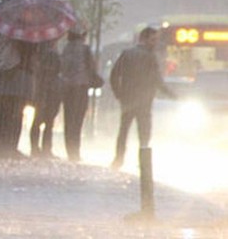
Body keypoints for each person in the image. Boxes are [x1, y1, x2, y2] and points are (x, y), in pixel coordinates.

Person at [109, 27, 175, 170]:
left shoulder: (127, 54)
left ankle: (118, 159)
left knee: (123, 130)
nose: (155, 43)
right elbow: (157, 80)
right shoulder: (150, 57)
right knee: (144, 132)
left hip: (127, 100)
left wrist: (119, 94)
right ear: (144, 39)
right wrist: (172, 95)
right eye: (153, 40)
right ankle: (143, 162)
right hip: (144, 101)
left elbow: (114, 75)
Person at [0, 37, 38, 159]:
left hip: (4, 81)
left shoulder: (3, 36)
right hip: (18, 82)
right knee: (15, 115)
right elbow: (30, 57)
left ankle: (3, 145)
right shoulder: (25, 39)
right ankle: (9, 147)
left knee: (4, 114)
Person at [60, 25, 97, 162]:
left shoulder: (65, 48)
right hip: (81, 87)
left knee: (68, 119)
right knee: (78, 120)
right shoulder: (85, 49)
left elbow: (62, 67)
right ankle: (75, 152)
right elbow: (92, 68)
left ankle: (70, 151)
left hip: (67, 88)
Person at [29, 40, 62, 158]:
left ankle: (35, 148)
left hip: (42, 89)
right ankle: (45, 148)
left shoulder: (39, 54)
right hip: (50, 89)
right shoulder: (52, 53)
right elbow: (58, 69)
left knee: (38, 120)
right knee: (48, 120)